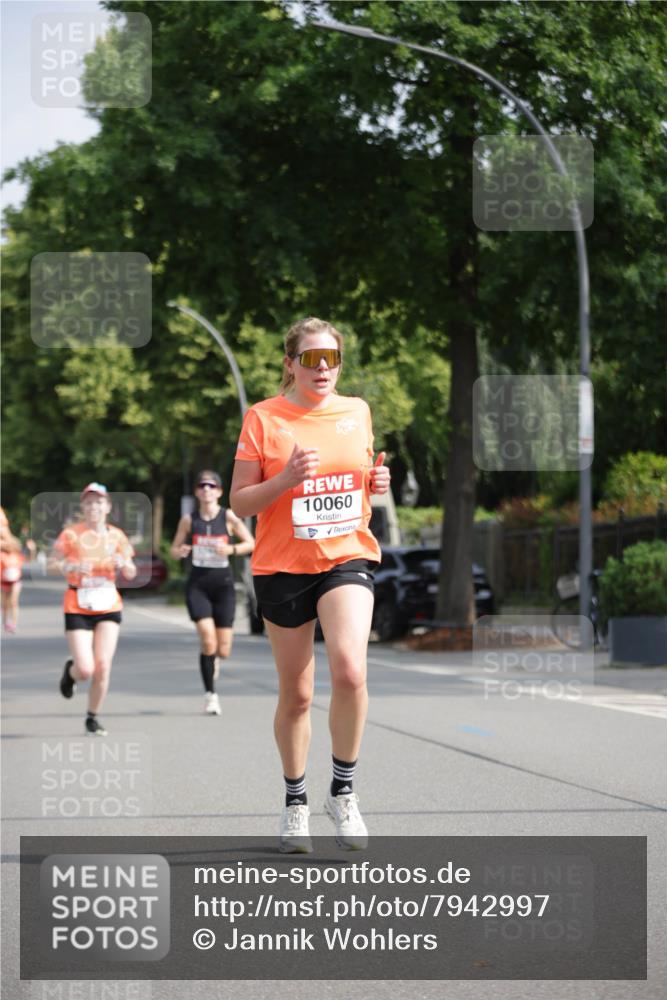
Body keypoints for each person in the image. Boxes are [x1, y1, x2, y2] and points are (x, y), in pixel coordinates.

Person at [230, 317, 391, 853]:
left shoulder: (357, 412)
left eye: (332, 358)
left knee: (349, 669)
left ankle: (343, 791)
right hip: (281, 565)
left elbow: (358, 482)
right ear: (290, 363)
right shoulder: (263, 418)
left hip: (345, 557)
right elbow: (241, 502)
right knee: (297, 694)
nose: (323, 368)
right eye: (311, 358)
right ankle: (295, 802)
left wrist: (375, 483)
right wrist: (285, 479)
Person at [52, 483, 137, 735]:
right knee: (86, 668)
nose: (94, 507)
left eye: (99, 502)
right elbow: (52, 563)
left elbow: (131, 572)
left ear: (108, 506)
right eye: (89, 502)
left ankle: (92, 716)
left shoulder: (117, 536)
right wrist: (71, 567)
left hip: (108, 603)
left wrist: (124, 564)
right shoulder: (71, 534)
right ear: (83, 507)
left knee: (103, 666)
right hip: (78, 604)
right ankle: (71, 672)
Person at [170, 470, 254, 715]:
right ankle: (211, 695)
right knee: (208, 640)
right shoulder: (189, 520)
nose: (206, 489)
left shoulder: (228, 517)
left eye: (211, 486)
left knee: (223, 648)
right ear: (197, 491)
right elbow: (174, 549)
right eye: (202, 486)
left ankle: (214, 658)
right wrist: (182, 550)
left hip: (223, 586)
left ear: (218, 491)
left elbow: (251, 543)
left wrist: (231, 550)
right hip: (198, 586)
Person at [1, 507, 24, 633]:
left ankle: (13, 623)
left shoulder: (14, 548)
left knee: (14, 601)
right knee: (5, 603)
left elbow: (17, 546)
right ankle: (5, 622)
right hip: (3, 579)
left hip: (15, 578)